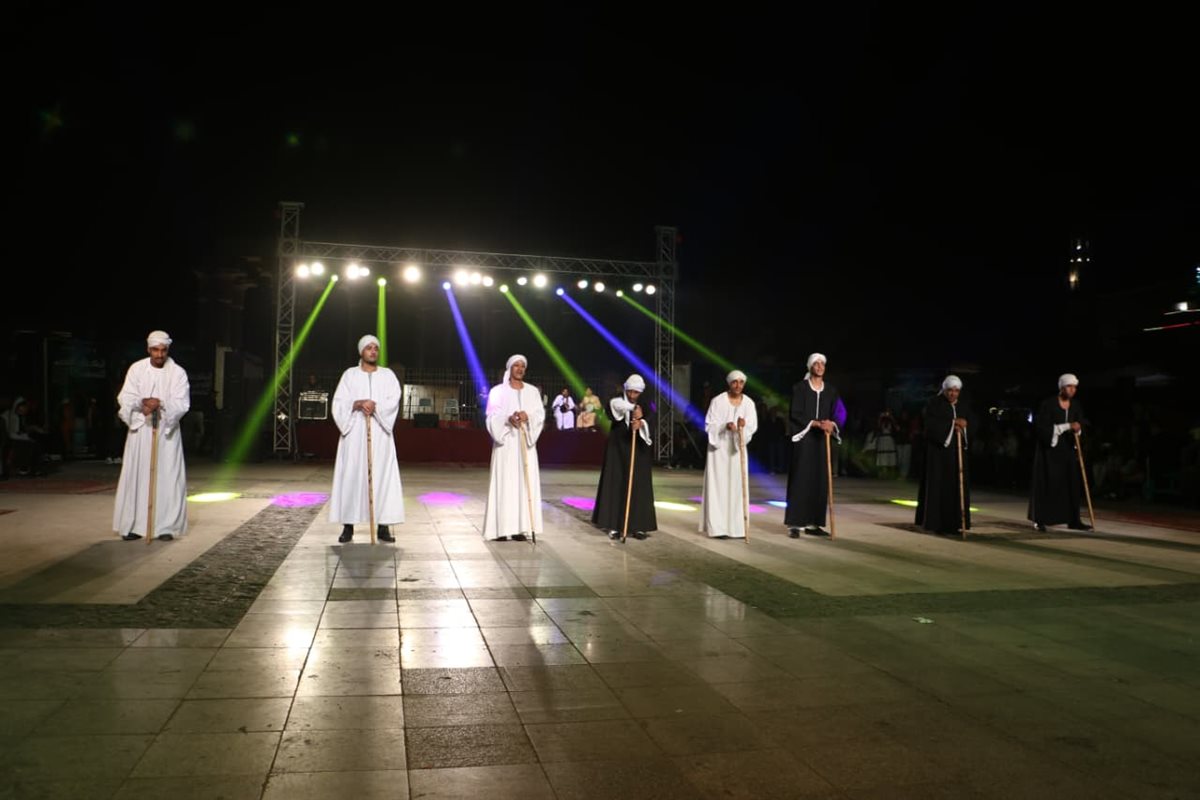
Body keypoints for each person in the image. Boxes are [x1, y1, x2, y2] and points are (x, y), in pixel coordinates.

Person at [112, 331, 191, 541]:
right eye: (155, 350)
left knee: (166, 476)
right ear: (148, 349)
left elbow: (182, 403)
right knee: (136, 476)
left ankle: (165, 527)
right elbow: (126, 397)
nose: (159, 355)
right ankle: (134, 525)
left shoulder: (178, 373)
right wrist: (142, 404)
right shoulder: (137, 369)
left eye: (163, 350)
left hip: (166, 433)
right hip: (141, 431)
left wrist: (161, 404)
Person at [328, 335, 404, 543]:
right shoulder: (349, 375)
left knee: (382, 476)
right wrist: (357, 403)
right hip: (355, 433)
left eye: (376, 348)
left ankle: (383, 526)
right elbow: (338, 402)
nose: (373, 351)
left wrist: (376, 406)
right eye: (369, 348)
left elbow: (394, 398)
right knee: (351, 475)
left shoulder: (387, 375)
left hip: (380, 433)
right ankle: (348, 526)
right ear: (361, 351)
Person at [482, 354, 544, 541]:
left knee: (524, 484)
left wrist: (528, 417)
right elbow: (491, 417)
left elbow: (540, 415)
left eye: (522, 366)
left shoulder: (532, 392)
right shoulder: (497, 391)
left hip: (526, 444)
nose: (520, 369)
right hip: (506, 445)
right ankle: (500, 529)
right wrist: (507, 419)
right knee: (505, 483)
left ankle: (520, 528)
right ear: (509, 369)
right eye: (516, 365)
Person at [592, 375, 657, 540]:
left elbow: (652, 418)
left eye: (636, 393)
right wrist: (632, 409)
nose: (632, 395)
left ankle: (638, 526)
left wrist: (641, 423)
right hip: (618, 447)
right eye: (630, 392)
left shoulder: (647, 403)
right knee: (616, 482)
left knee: (638, 485)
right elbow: (613, 408)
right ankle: (614, 524)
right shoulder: (617, 400)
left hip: (638, 449)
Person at [784, 353, 842, 537]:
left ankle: (814, 523)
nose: (819, 366)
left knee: (819, 479)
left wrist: (832, 424)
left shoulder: (831, 390)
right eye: (816, 363)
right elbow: (795, 413)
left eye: (822, 363)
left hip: (822, 440)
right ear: (810, 367)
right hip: (804, 438)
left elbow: (839, 412)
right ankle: (795, 523)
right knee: (800, 479)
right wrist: (814, 423)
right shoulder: (800, 388)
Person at [1028, 373, 1090, 532]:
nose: (1072, 390)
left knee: (1072, 483)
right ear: (1062, 387)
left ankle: (1074, 520)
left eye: (1074, 387)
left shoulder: (1075, 405)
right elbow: (1042, 427)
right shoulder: (1048, 404)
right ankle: (1040, 519)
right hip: (1050, 450)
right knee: (1047, 483)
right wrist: (1067, 426)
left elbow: (1081, 421)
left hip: (1068, 449)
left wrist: (1078, 427)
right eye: (1069, 386)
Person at [700, 370, 758, 539]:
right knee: (718, 487)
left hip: (737, 450)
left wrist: (742, 427)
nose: (738, 385)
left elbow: (752, 427)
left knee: (736, 487)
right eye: (735, 382)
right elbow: (709, 425)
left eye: (741, 382)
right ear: (729, 383)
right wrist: (724, 426)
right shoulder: (717, 401)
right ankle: (718, 528)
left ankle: (737, 528)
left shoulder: (748, 403)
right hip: (718, 450)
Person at [915, 376, 973, 536]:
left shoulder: (963, 405)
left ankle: (955, 523)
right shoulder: (934, 404)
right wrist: (952, 424)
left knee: (956, 487)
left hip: (957, 454)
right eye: (950, 390)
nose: (953, 394)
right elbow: (930, 426)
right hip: (939, 456)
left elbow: (972, 422)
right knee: (939, 486)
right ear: (944, 390)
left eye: (956, 391)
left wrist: (964, 426)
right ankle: (937, 523)